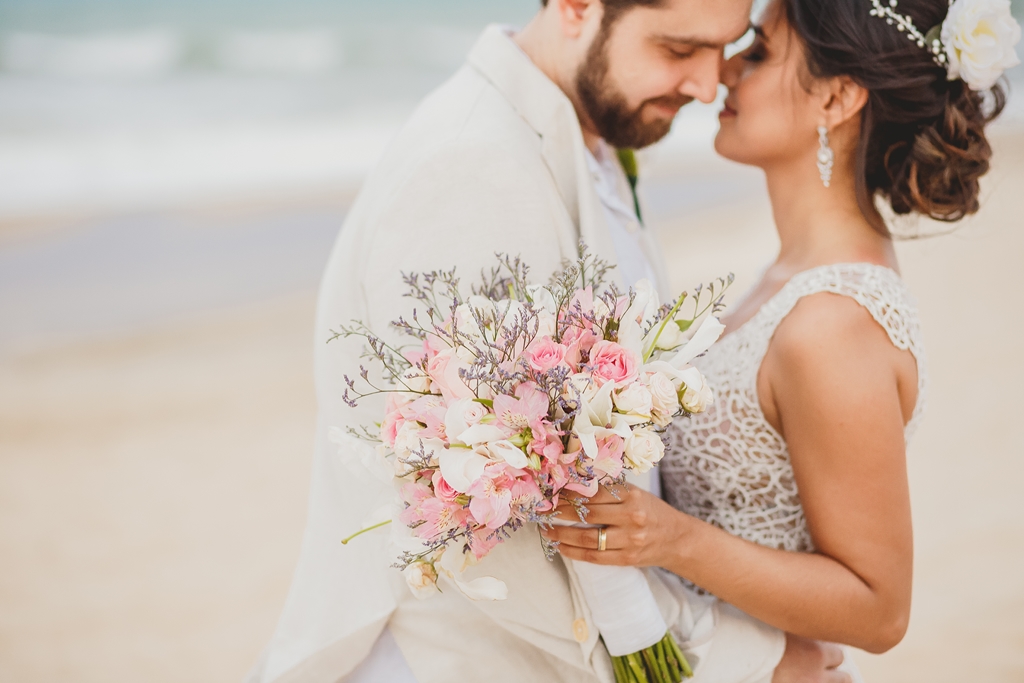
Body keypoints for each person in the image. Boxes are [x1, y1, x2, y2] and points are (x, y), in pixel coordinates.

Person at [246, 1, 865, 682]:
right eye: (678, 49)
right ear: (575, 6)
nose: (708, 82)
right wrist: (746, 661)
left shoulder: (584, 133)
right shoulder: (474, 166)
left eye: (724, 47)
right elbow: (500, 515)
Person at [544, 0, 1016, 681]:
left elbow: (880, 609)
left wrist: (672, 539)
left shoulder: (833, 324)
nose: (725, 71)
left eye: (759, 52)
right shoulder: (793, 277)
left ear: (837, 98)